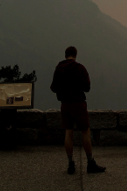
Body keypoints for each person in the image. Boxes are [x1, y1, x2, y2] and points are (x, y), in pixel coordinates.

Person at [50, 46, 106, 175]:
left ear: (65, 55)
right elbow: (87, 87)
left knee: (68, 133)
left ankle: (70, 164)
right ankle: (90, 163)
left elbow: (53, 88)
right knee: (85, 132)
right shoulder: (80, 68)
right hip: (78, 104)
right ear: (75, 55)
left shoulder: (59, 69)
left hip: (65, 105)